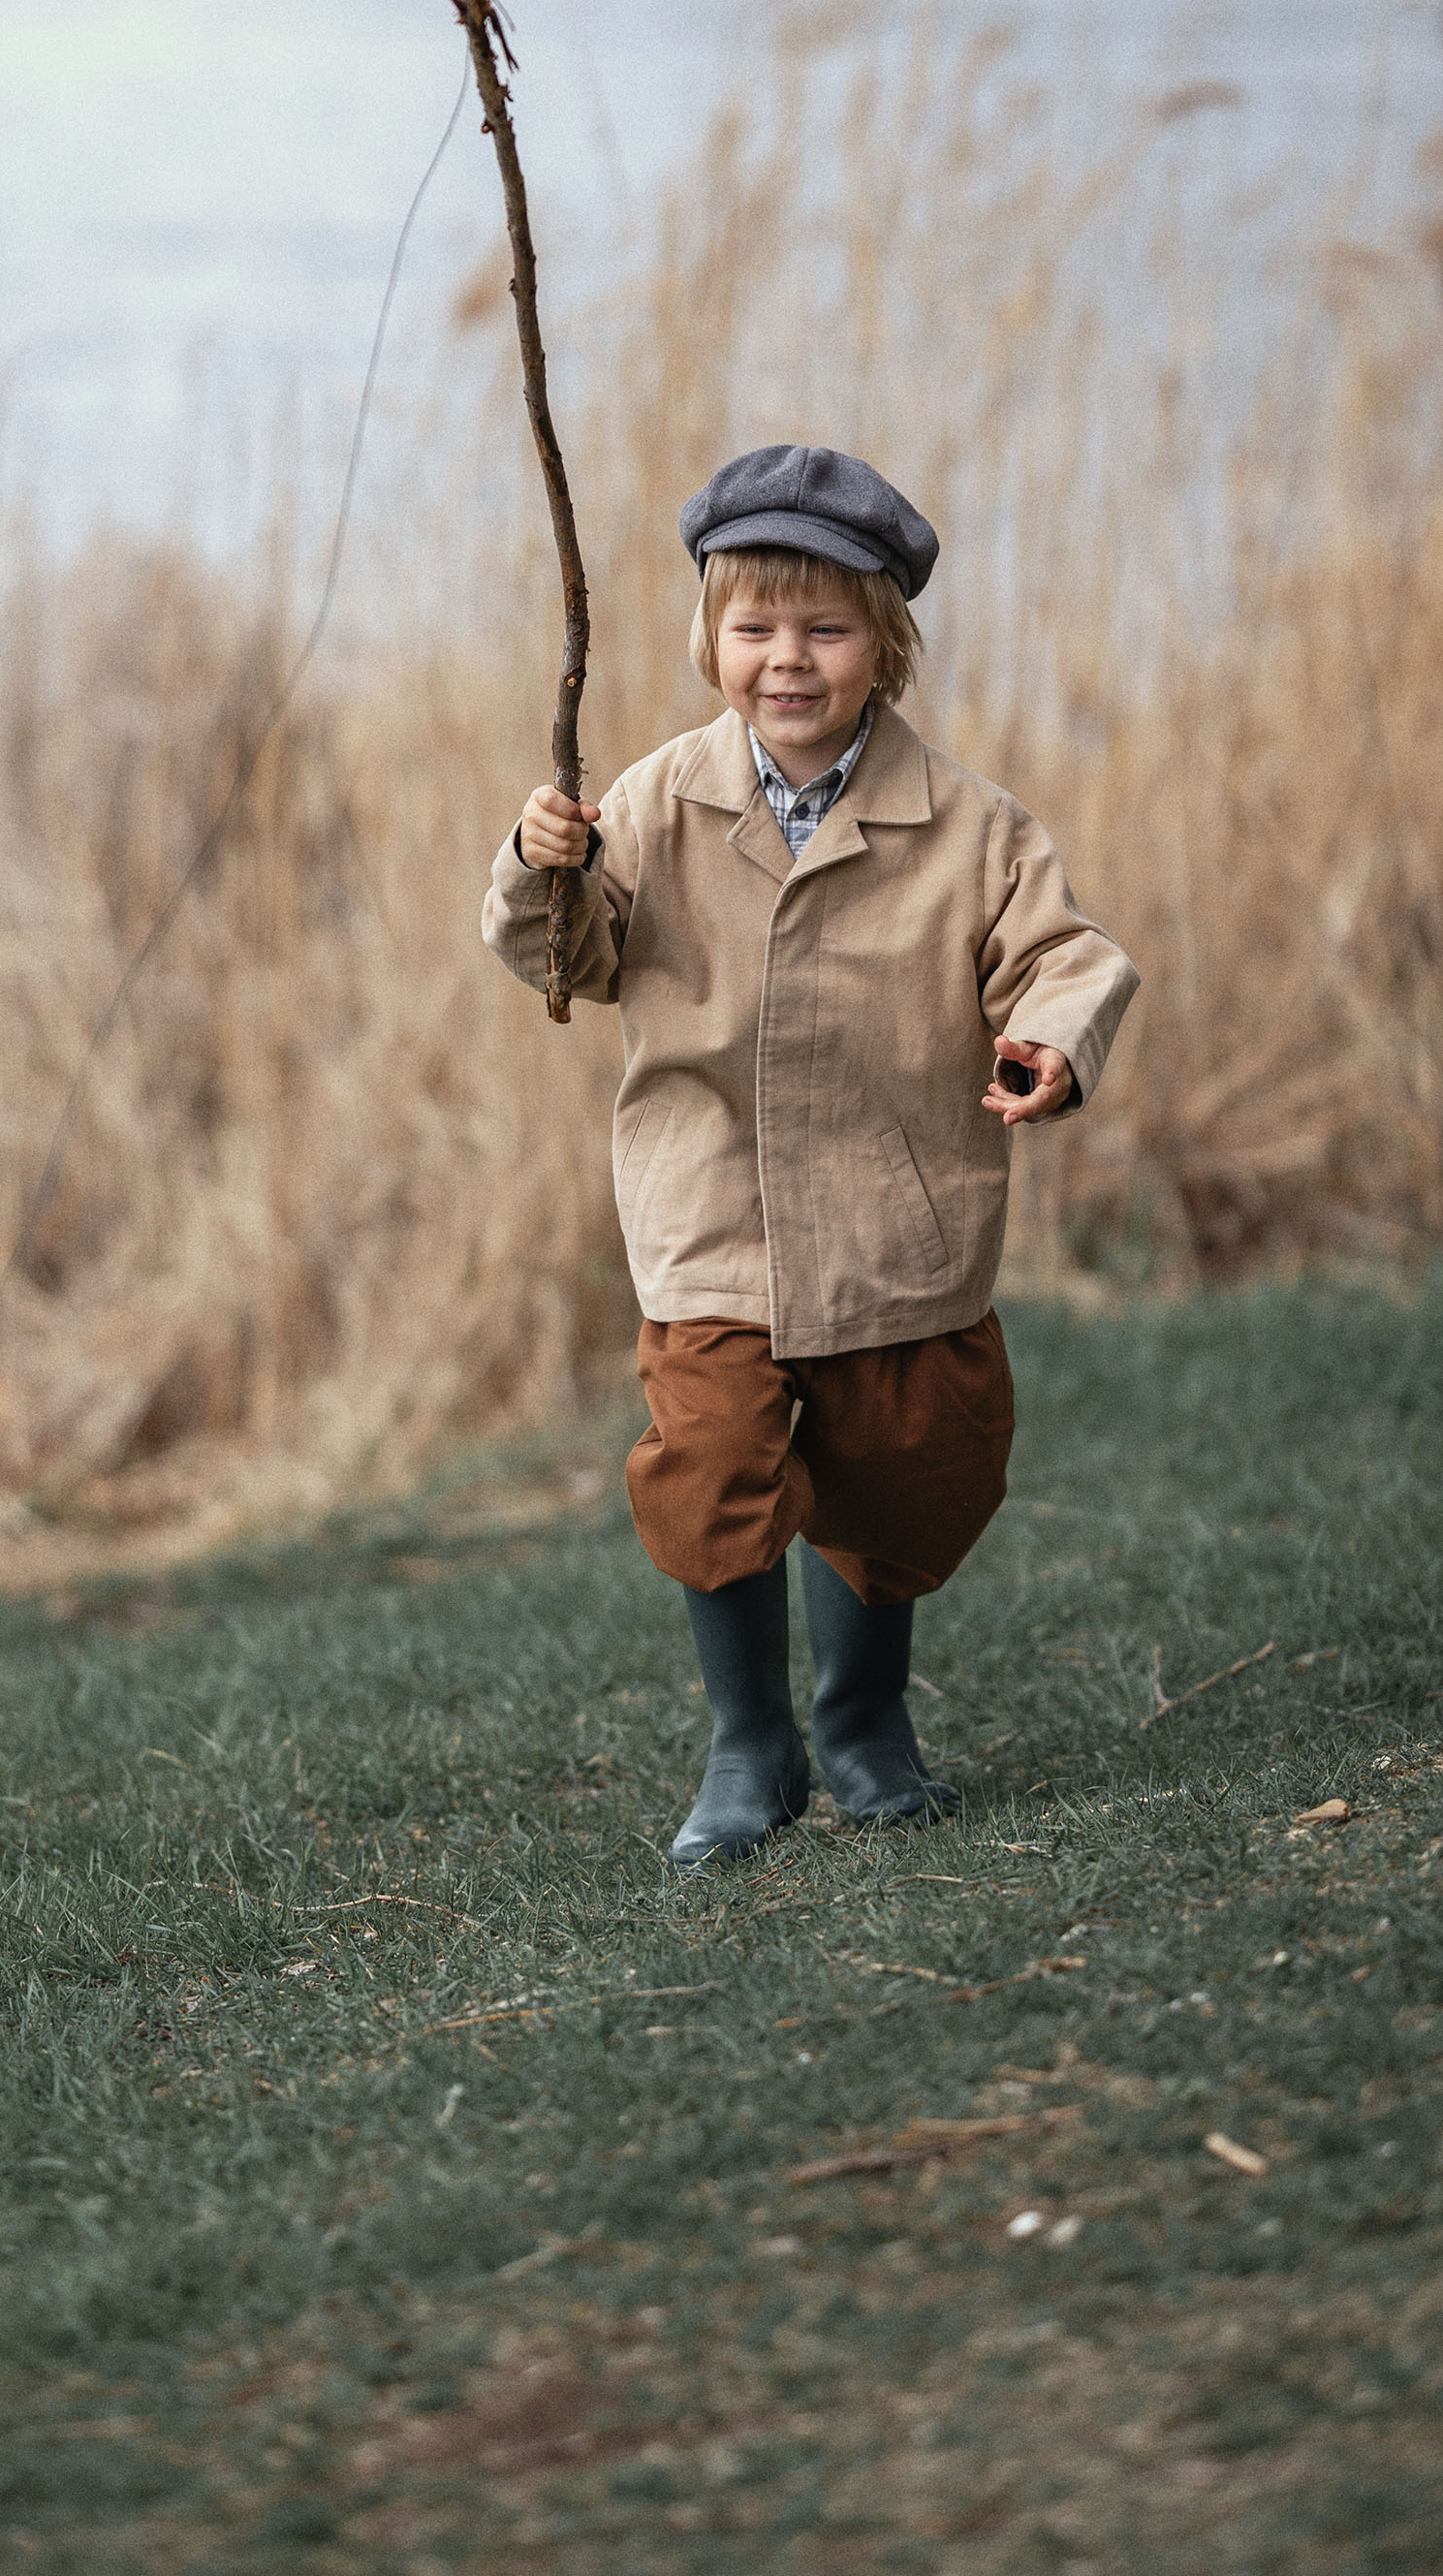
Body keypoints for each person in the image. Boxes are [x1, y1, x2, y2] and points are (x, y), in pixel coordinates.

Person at [482, 443, 1138, 1864]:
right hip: (709, 1205)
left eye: (827, 627)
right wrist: (546, 868)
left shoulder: (971, 827)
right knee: (714, 1462)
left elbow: (1064, 956)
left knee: (901, 1471)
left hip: (895, 1210)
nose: (788, 659)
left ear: (886, 643)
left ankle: (862, 1723)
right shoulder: (650, 804)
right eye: (754, 626)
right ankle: (749, 1748)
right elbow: (572, 961)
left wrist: (1048, 1041)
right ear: (711, 637)